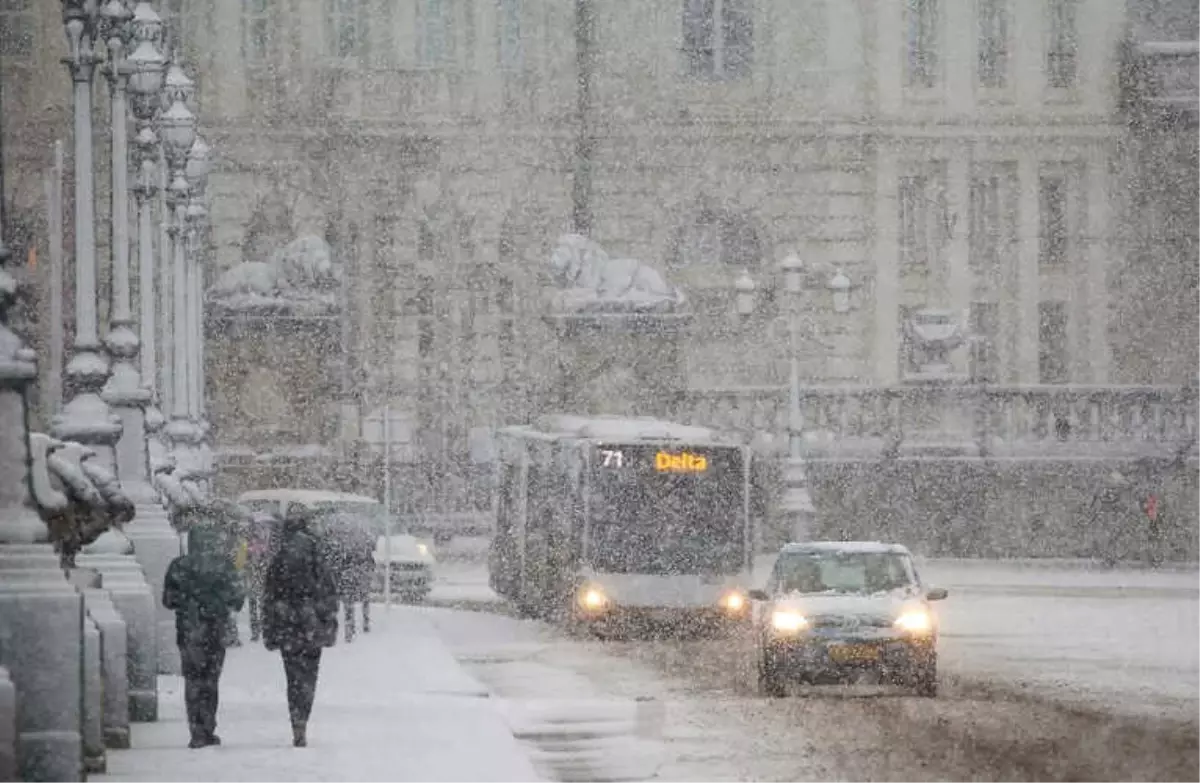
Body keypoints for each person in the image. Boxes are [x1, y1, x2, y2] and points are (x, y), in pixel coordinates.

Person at [163, 524, 246, 749]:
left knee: (193, 679)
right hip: (215, 630)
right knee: (211, 680)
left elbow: (168, 601)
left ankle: (196, 729)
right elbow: (237, 598)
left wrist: (188, 602)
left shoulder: (178, 566)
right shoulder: (224, 566)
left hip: (189, 630)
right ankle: (208, 727)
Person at [262, 505, 339, 748]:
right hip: (312, 624)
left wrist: (270, 627)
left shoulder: (279, 558)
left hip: (286, 625)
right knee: (309, 675)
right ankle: (302, 718)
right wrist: (326, 618)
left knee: (292, 675)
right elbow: (329, 592)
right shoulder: (316, 555)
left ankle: (296, 721)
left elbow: (269, 596)